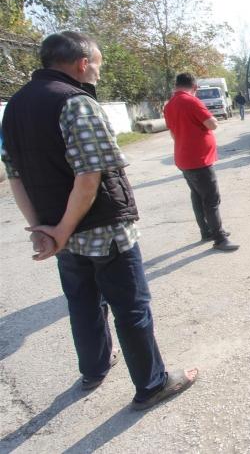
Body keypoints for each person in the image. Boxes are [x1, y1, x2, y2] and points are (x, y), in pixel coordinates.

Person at [0, 31, 198, 410]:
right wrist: (58, 229)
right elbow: (90, 178)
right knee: (131, 306)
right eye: (99, 65)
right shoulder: (76, 103)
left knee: (83, 302)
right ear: (82, 64)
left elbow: (15, 175)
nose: (99, 74)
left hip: (62, 235)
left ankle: (93, 369)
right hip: (103, 230)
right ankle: (152, 384)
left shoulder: (15, 108)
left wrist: (45, 229)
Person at [164, 72, 239, 252]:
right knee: (211, 199)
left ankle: (206, 231)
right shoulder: (192, 101)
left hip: (183, 158)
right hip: (199, 160)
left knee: (197, 196)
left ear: (177, 85)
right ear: (195, 87)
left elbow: (173, 133)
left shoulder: (169, 105)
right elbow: (212, 124)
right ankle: (219, 238)